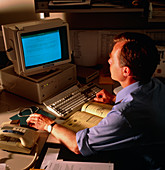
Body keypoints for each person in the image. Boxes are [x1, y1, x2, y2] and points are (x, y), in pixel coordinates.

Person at [26, 32, 165, 169]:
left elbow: (77, 145)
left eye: (112, 59)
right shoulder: (156, 84)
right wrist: (114, 99)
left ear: (126, 71)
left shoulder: (125, 114)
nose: (108, 61)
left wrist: (48, 125)